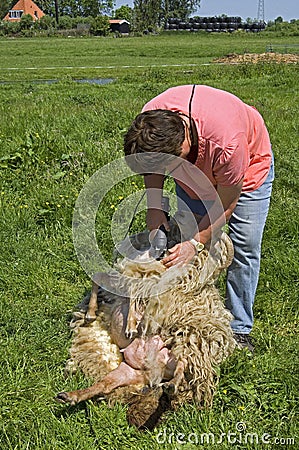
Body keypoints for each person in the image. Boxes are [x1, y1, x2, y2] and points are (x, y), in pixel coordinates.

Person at [124, 85, 274, 352]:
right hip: (193, 169)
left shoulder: (228, 143)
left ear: (182, 147)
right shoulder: (151, 122)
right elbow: (153, 165)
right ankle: (188, 317)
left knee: (244, 246)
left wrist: (197, 241)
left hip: (246, 169)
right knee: (185, 244)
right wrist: (155, 207)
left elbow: (226, 204)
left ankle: (239, 327)